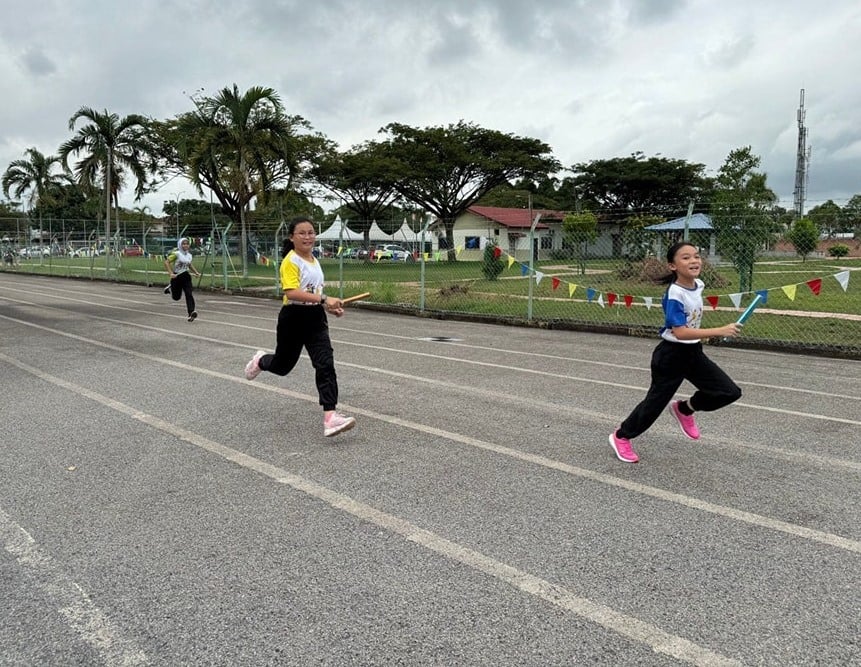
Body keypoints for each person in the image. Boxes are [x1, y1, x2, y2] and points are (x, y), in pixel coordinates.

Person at [608, 241, 743, 463]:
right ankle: (621, 436)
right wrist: (720, 330)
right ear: (672, 266)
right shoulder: (674, 294)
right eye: (686, 258)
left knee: (728, 392)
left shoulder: (698, 284)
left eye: (696, 256)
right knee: (654, 404)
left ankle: (684, 409)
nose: (694, 261)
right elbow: (680, 332)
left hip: (693, 353)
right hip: (671, 356)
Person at [244, 217, 356, 437]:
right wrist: (324, 299)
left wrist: (330, 308)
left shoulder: (314, 260)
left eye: (311, 232)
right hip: (293, 318)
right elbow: (291, 292)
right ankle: (260, 361)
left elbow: (313, 293)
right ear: (292, 237)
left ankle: (330, 416)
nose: (308, 237)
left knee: (325, 364)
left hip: (314, 318)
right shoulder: (291, 261)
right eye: (302, 233)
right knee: (283, 366)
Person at [163, 237, 201, 322]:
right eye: (183, 244)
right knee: (176, 297)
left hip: (186, 276)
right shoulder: (176, 254)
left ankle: (191, 312)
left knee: (189, 293)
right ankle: (170, 287)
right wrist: (170, 273)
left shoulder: (189, 255)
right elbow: (166, 262)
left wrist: (196, 272)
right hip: (177, 277)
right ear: (180, 245)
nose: (185, 245)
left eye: (187, 244)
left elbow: (189, 264)